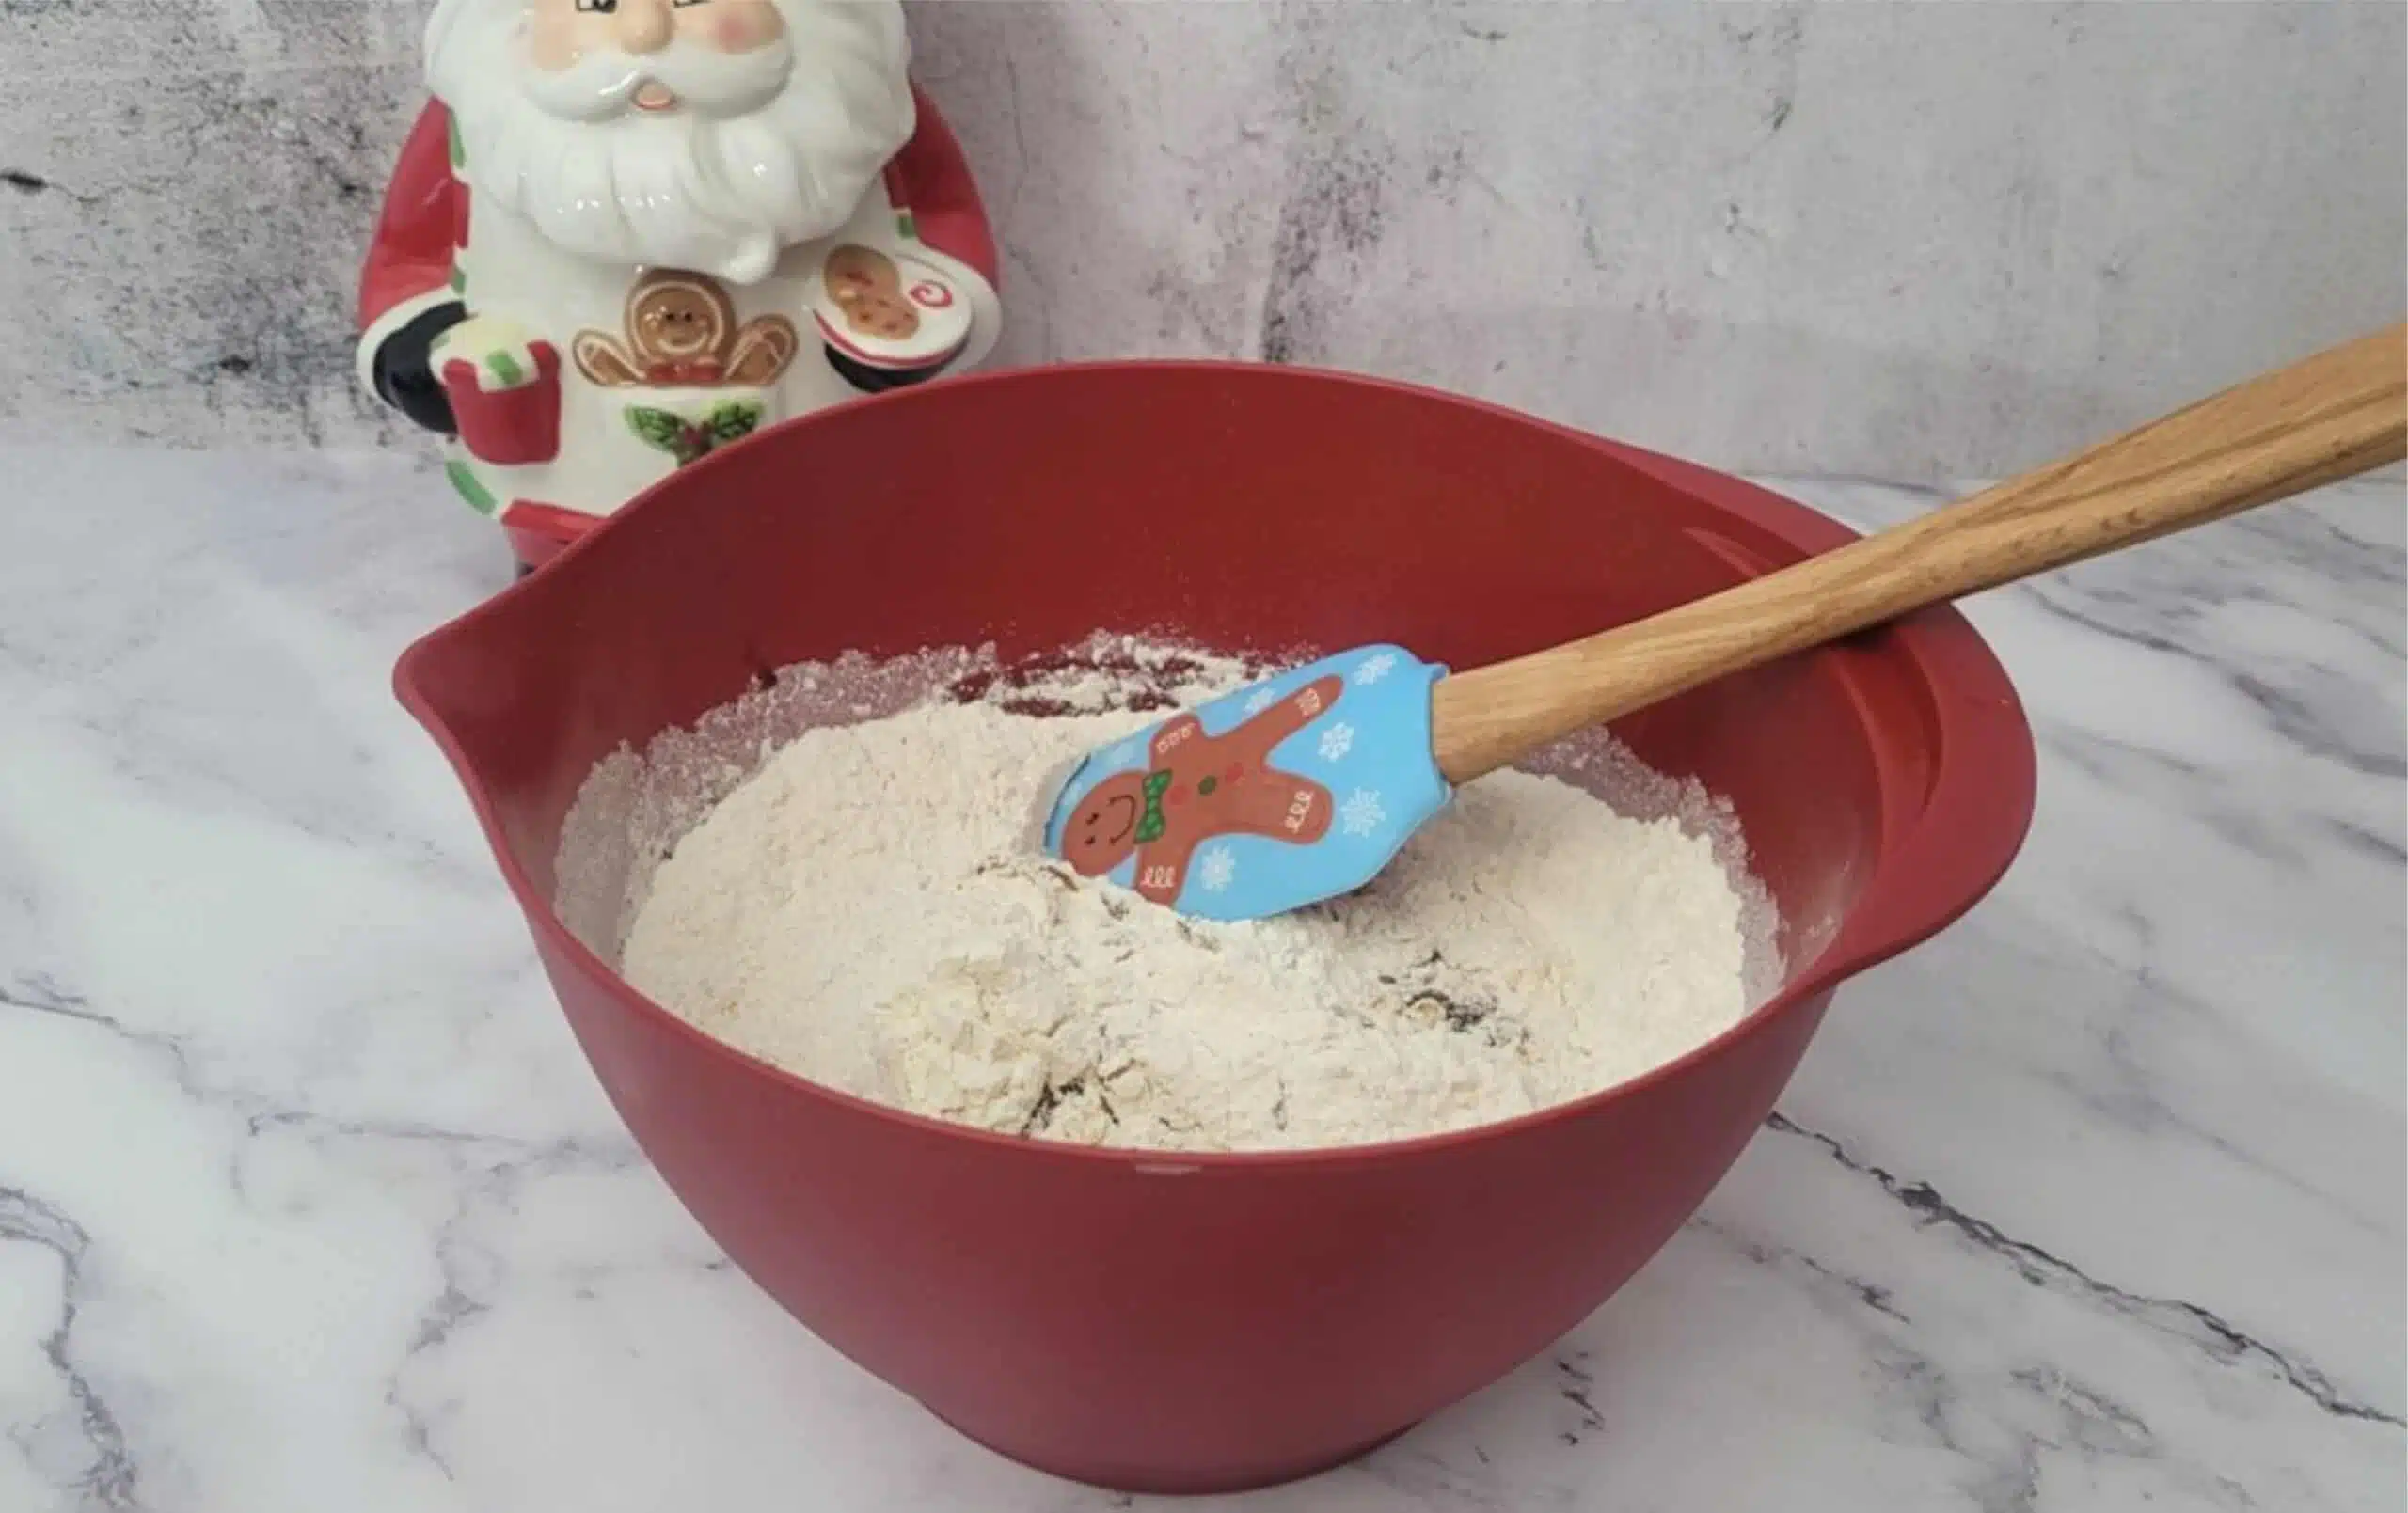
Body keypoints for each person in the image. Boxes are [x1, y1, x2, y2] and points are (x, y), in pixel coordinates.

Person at [356, 0, 1002, 572]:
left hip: (824, 494)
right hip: (568, 493)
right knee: (584, 618)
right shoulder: (486, 119)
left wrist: (926, 333)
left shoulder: (860, 108)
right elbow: (411, 255)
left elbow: (943, 225)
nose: (644, 32)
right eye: (598, 1)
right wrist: (408, 347)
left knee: (829, 597)